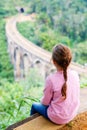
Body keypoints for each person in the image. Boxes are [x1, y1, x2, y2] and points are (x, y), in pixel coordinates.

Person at [30, 44, 80, 124]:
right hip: (72, 113)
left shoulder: (51, 79)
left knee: (34, 105)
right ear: (69, 60)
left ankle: (31, 126)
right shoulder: (75, 74)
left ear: (53, 61)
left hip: (58, 118)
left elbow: (45, 103)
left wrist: (41, 100)